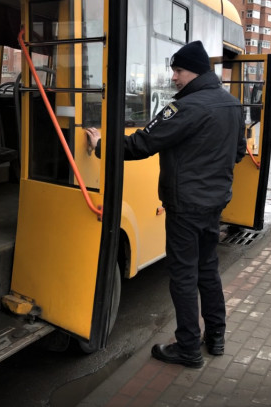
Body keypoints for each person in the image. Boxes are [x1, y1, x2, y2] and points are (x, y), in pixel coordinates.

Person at [86, 40, 246, 368]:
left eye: (178, 70)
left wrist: (101, 144)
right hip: (214, 203)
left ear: (196, 71)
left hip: (185, 206)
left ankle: (188, 348)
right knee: (207, 270)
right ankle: (215, 337)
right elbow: (239, 151)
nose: (174, 77)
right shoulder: (232, 105)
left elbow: (142, 143)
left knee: (184, 275)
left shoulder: (186, 107)